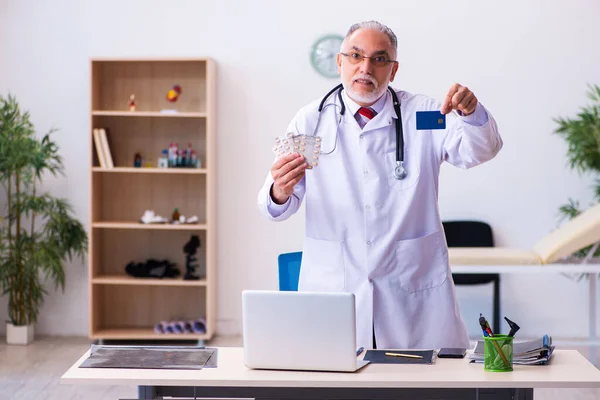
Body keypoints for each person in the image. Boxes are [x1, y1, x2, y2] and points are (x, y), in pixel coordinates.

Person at [257, 20, 502, 350]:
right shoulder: (310, 119)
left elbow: (480, 150)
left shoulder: (425, 114)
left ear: (394, 69)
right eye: (356, 56)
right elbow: (273, 206)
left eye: (379, 58)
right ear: (339, 62)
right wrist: (280, 190)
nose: (365, 67)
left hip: (412, 286)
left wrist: (471, 114)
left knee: (421, 383)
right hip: (337, 283)